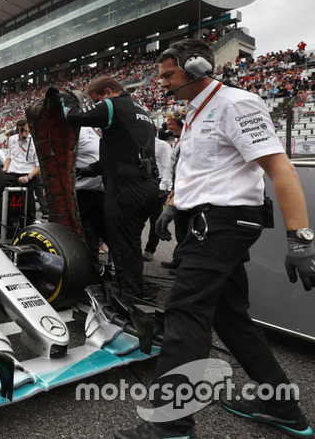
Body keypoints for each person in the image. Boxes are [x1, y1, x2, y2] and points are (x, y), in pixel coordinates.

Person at [115, 38, 314, 439]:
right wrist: (173, 205)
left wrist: (301, 239)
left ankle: (170, 425)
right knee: (230, 318)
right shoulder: (195, 111)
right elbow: (202, 172)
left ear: (199, 67)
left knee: (186, 313)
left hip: (223, 224)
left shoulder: (236, 103)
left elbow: (281, 169)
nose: (163, 83)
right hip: (205, 221)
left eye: (169, 74)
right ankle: (283, 409)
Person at [60, 76, 159, 300]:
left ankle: (129, 295)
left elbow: (72, 117)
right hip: (147, 183)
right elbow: (124, 151)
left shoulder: (112, 104)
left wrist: (67, 99)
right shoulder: (139, 108)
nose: (96, 105)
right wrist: (90, 170)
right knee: (130, 241)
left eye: (96, 100)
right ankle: (135, 286)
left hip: (127, 187)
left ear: (107, 92)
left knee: (122, 243)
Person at [75, 126, 108, 274]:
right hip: (83, 191)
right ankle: (92, 271)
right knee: (88, 235)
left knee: (111, 233)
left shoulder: (108, 129)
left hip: (106, 192)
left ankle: (116, 271)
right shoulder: (81, 130)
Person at [160, 109, 187, 274]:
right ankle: (179, 260)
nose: (169, 128)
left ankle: (184, 265)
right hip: (177, 189)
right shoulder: (180, 140)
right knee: (180, 229)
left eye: (171, 124)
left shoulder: (186, 140)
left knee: (185, 231)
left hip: (184, 192)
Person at [142, 126, 173, 262]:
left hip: (158, 184)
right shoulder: (140, 145)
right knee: (138, 218)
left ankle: (150, 250)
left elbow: (167, 166)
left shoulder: (162, 146)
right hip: (143, 183)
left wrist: (163, 188)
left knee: (155, 220)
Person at [3, 119, 41, 225]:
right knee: (12, 198)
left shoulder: (35, 141)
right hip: (13, 173)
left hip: (29, 174)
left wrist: (29, 176)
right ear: (17, 130)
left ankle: (32, 219)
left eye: (26, 131)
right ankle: (12, 220)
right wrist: (5, 168)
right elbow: (9, 156)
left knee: (28, 198)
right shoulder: (12, 139)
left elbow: (38, 165)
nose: (23, 134)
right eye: (21, 131)